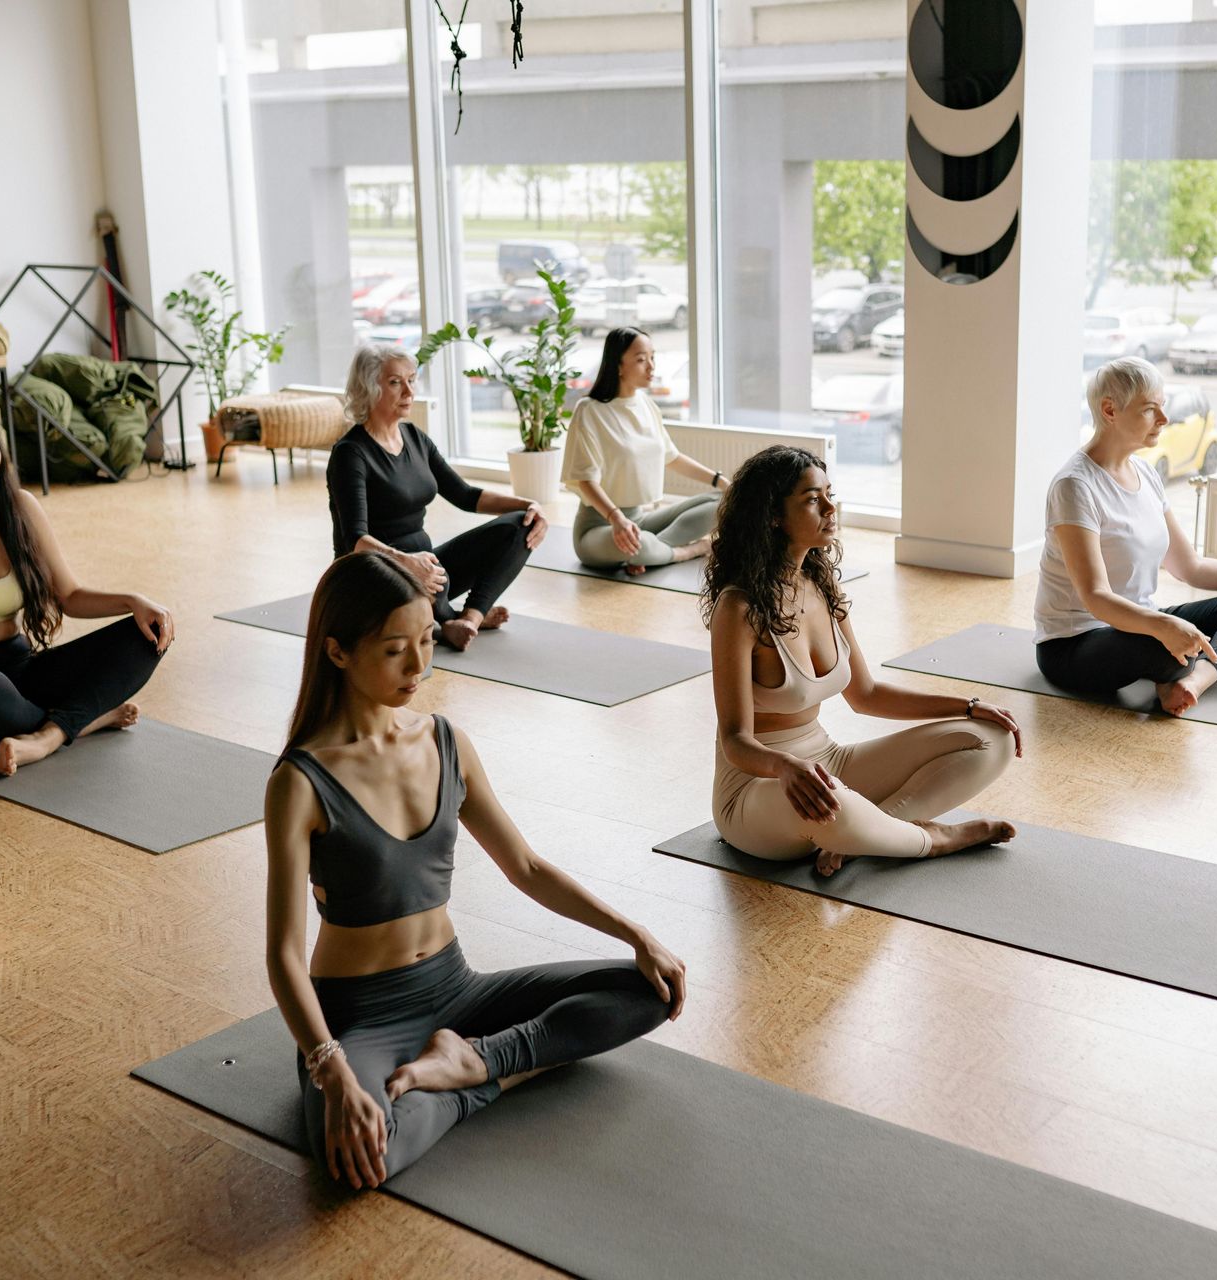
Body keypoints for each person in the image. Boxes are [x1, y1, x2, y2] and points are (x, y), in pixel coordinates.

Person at [266, 552, 685, 1191]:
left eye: (427, 641)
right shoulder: (300, 782)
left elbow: (526, 866)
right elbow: (284, 955)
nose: (419, 666)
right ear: (338, 652)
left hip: (457, 988)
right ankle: (482, 1075)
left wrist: (637, 936)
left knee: (650, 990)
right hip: (360, 1015)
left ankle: (472, 1064)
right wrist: (333, 1068)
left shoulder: (446, 741)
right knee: (363, 1160)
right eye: (393, 651)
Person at [704, 446, 1022, 877]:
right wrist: (785, 766)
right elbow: (735, 739)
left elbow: (867, 695)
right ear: (773, 516)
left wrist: (966, 706)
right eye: (813, 499)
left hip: (828, 762)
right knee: (837, 806)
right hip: (757, 790)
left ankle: (869, 838)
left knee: (991, 737)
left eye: (829, 494)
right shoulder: (738, 608)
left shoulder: (821, 584)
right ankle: (934, 839)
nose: (831, 507)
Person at [0, 398, 172, 775]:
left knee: (147, 635)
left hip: (19, 670)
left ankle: (48, 736)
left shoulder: (20, 508)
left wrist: (134, 601)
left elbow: (70, 596)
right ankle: (83, 720)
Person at [1035, 356, 1217, 716]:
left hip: (1140, 621)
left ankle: (1193, 681)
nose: (1164, 420)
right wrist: (1165, 626)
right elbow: (1096, 597)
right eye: (1151, 410)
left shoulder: (1146, 474)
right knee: (1170, 646)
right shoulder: (1075, 486)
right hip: (1075, 643)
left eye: (1162, 408)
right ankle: (1182, 670)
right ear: (1109, 410)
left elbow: (1190, 567)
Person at [326, 344, 546, 650]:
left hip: (428, 568)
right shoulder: (351, 453)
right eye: (394, 382)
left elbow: (466, 495)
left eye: (411, 380)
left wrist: (527, 505)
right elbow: (355, 540)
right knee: (425, 576)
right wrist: (406, 562)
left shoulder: (415, 437)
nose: (408, 391)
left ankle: (469, 619)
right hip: (375, 573)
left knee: (519, 528)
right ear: (369, 388)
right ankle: (442, 623)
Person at [562, 327, 725, 573]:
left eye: (652, 358)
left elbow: (673, 457)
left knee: (725, 502)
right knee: (640, 544)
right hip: (599, 528)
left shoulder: (646, 404)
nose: (651, 366)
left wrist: (721, 482)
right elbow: (585, 480)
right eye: (641, 360)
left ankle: (649, 552)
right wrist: (617, 519)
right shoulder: (589, 410)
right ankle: (685, 551)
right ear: (618, 365)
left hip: (642, 521)